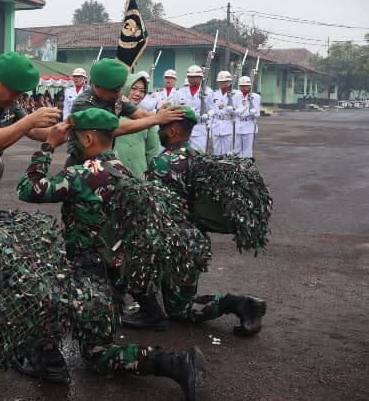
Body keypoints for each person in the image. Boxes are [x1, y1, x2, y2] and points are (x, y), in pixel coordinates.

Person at [15, 108, 203, 400]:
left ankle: (47, 358)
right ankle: (172, 363)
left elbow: (29, 189)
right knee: (94, 348)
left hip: (86, 275)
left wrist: (48, 146)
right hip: (115, 272)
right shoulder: (124, 172)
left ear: (89, 138)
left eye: (74, 138)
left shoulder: (81, 175)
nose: (72, 143)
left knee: (86, 345)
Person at [121, 105, 267, 335]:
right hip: (194, 243)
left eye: (162, 127)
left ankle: (149, 312)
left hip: (172, 244)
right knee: (181, 308)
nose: (158, 130)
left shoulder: (164, 163)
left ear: (172, 131)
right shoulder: (197, 157)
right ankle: (241, 304)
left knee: (128, 254)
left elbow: (153, 209)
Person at [66, 58, 184, 166]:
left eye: (120, 89)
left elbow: (138, 113)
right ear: (97, 87)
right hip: (82, 163)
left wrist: (163, 114)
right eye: (114, 91)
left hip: (103, 161)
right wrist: (156, 119)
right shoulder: (84, 104)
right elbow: (114, 128)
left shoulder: (113, 96)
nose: (118, 93)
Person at [114, 73, 162, 177]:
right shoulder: (112, 113)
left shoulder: (148, 117)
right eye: (134, 88)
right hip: (113, 173)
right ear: (125, 88)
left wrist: (152, 176)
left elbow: (152, 150)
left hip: (139, 174)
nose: (137, 94)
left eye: (142, 91)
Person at [172, 65, 213, 151]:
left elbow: (213, 109)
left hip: (199, 129)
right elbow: (174, 109)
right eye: (190, 77)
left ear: (201, 78)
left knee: (198, 156)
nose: (192, 79)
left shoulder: (208, 92)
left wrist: (207, 115)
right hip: (183, 129)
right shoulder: (180, 92)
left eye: (195, 77)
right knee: (182, 157)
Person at [209, 71, 237, 155]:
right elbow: (211, 109)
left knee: (227, 151)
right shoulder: (214, 94)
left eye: (225, 81)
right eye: (220, 82)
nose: (222, 83)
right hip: (216, 125)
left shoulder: (236, 94)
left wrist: (233, 110)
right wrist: (209, 124)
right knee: (216, 151)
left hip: (228, 124)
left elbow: (240, 110)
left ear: (230, 82)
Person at [234, 76, 261, 157]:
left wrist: (253, 112)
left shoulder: (255, 97)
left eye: (245, 86)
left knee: (247, 150)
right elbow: (233, 109)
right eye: (241, 86)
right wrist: (236, 111)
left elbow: (257, 114)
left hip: (249, 124)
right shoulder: (236, 96)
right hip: (238, 124)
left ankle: (247, 166)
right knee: (237, 149)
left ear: (249, 86)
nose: (243, 88)